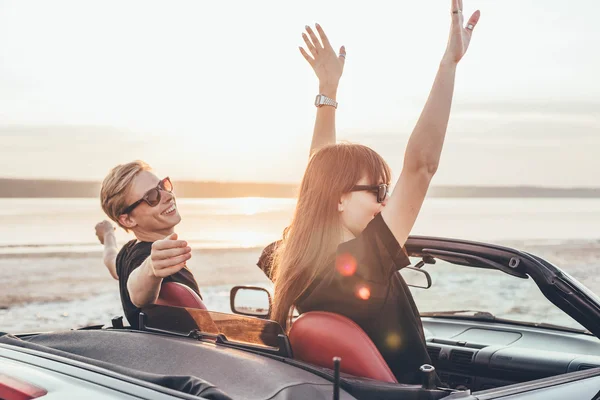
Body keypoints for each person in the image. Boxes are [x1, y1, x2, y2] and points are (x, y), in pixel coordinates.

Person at [267, 0, 481, 384]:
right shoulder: (360, 265)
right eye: (378, 189)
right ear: (338, 198)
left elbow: (322, 173)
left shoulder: (294, 263)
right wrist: (449, 64)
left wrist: (327, 91)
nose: (386, 201)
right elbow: (421, 167)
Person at [95, 161, 199, 329]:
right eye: (152, 197)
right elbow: (138, 294)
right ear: (128, 219)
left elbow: (110, 259)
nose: (167, 196)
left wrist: (108, 234)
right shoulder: (150, 260)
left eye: (163, 186)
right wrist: (151, 268)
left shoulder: (127, 251)